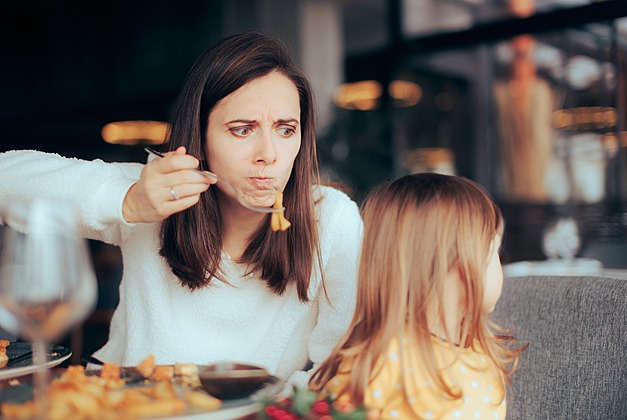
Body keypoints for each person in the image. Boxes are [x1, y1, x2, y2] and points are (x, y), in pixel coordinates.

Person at [0, 31, 363, 386]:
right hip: (127, 408)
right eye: (242, 129)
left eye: (286, 130)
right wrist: (127, 200)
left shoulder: (330, 220)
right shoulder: (153, 191)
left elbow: (340, 366)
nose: (268, 154)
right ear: (200, 136)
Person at [310, 173, 526, 419]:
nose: (501, 265)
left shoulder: (481, 353)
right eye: (494, 251)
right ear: (460, 264)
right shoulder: (383, 359)